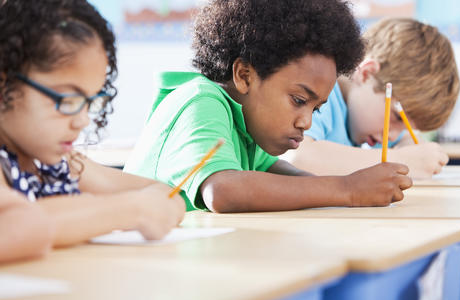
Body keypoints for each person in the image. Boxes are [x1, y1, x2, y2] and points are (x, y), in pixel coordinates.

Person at [124, 0, 412, 213]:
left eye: (316, 108)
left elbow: (276, 172)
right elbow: (223, 191)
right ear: (244, 75)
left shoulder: (248, 124)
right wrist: (346, 190)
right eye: (299, 101)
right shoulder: (200, 101)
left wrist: (343, 188)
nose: (306, 122)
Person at [0, 0, 185, 249]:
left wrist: (158, 205)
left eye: (89, 101)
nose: (83, 120)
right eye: (67, 99)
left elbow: (161, 192)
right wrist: (130, 210)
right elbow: (12, 227)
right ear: (4, 84)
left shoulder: (63, 165)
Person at [284, 18, 460, 179]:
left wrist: (416, 151)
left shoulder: (367, 121)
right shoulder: (320, 96)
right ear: (367, 74)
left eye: (404, 127)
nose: (391, 135)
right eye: (398, 117)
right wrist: (400, 160)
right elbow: (295, 157)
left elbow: (407, 140)